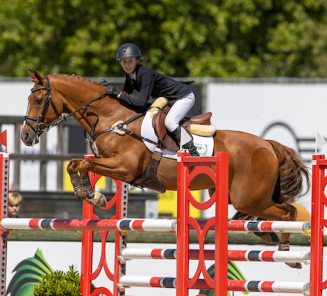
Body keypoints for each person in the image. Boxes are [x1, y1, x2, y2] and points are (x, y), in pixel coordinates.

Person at [105, 43, 200, 157]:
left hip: (183, 96)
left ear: (137, 60)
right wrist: (109, 91)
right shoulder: (130, 76)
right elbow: (125, 95)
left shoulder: (145, 73)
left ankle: (193, 152)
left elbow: (140, 103)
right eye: (124, 61)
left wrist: (117, 94)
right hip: (168, 99)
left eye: (130, 60)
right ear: (120, 63)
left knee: (170, 122)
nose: (127, 65)